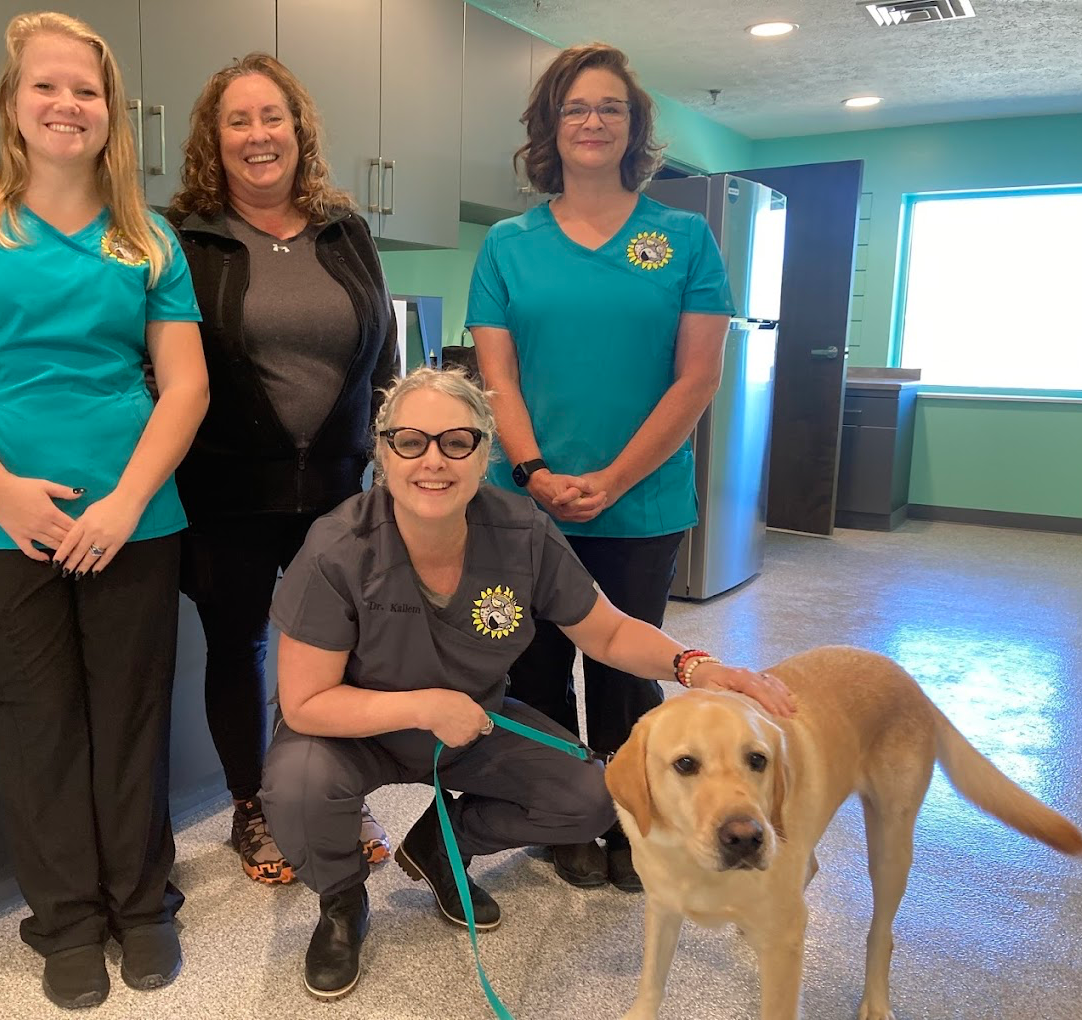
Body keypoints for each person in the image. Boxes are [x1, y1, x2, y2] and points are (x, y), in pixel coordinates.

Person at [258, 368, 795, 1000]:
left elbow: (608, 633)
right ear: (383, 450)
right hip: (355, 732)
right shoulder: (338, 548)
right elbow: (307, 703)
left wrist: (697, 666)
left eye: (457, 441)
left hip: (474, 725)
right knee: (297, 786)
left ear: (485, 451)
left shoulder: (521, 533)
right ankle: (342, 902)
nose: (433, 460)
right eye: (410, 441)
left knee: (592, 797)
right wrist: (425, 705)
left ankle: (442, 845)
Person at [0, 12, 208, 1009]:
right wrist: (3, 492)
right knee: (37, 727)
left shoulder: (146, 237)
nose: (68, 104)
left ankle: (141, 906)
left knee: (131, 718)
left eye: (87, 90)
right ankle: (65, 921)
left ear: (113, 113)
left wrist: (125, 502)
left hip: (131, 521)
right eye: (46, 86)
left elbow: (186, 386)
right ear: (13, 103)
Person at [467, 42, 737, 892]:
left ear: (634, 126)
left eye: (610, 107)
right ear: (549, 125)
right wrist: (534, 472)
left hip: (642, 503)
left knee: (626, 674)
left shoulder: (684, 238)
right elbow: (497, 379)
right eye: (575, 107)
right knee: (536, 669)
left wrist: (613, 479)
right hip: (525, 503)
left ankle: (632, 820)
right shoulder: (508, 245)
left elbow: (697, 378)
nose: (592, 121)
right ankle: (563, 818)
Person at [163, 54, 398, 886]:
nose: (258, 135)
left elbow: (381, 357)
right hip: (226, 490)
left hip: (337, 490)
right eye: (238, 120)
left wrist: (389, 453)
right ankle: (252, 805)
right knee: (238, 646)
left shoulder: (345, 231)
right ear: (213, 138)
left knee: (336, 649)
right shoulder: (186, 237)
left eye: (273, 117)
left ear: (299, 130)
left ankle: (333, 794)